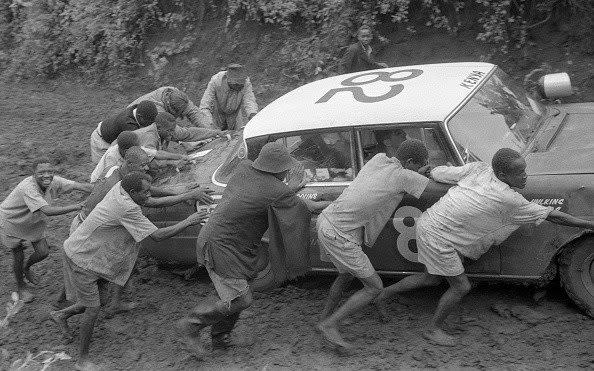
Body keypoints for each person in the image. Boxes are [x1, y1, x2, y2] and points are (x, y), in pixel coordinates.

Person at [376, 148, 594, 346]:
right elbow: (555, 217)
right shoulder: (508, 198)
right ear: (502, 175)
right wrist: (588, 223)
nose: (525, 175)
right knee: (461, 286)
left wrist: (429, 171)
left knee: (431, 278)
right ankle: (433, 330)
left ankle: (383, 295)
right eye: (519, 173)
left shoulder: (477, 169)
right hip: (438, 236)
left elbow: (440, 173)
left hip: (433, 225)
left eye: (524, 170)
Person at [176, 142, 328, 356]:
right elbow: (306, 207)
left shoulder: (245, 169)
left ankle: (221, 338)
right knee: (241, 299)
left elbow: (264, 193)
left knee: (235, 292)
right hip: (223, 247)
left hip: (222, 240)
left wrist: (289, 188)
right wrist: (339, 202)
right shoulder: (277, 190)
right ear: (280, 169)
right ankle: (190, 326)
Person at [48, 172, 208, 370]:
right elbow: (157, 235)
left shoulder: (122, 190)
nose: (148, 195)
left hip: (92, 253)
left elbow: (150, 202)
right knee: (93, 308)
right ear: (133, 192)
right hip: (83, 258)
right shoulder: (125, 207)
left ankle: (61, 315)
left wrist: (186, 195)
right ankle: (82, 360)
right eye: (145, 192)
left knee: (96, 299)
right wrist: (188, 221)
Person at [315, 137, 450, 352]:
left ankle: (325, 318)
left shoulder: (378, 159)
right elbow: (437, 191)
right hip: (339, 233)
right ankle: (329, 325)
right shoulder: (403, 176)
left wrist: (416, 172)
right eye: (419, 164)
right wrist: (427, 173)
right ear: (411, 161)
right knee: (374, 287)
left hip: (328, 221)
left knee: (345, 276)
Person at [56, 147, 214, 314]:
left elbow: (150, 192)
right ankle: (61, 303)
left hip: (105, 226)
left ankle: (111, 303)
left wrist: (183, 192)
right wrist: (186, 199)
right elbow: (151, 204)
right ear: (129, 163)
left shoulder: (123, 174)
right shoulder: (116, 188)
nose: (147, 167)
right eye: (143, 165)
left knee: (125, 260)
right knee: (81, 267)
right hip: (88, 229)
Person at [0, 157, 92, 302]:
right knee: (18, 254)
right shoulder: (28, 187)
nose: (47, 175)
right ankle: (21, 287)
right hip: (13, 222)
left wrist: (100, 188)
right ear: (33, 173)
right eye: (41, 172)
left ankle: (26, 268)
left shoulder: (53, 181)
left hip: (33, 220)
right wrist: (78, 206)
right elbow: (47, 210)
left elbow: (78, 186)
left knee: (43, 252)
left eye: (50, 171)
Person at [90, 131, 187, 183]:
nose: (140, 148)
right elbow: (112, 180)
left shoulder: (132, 149)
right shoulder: (111, 158)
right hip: (100, 182)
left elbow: (157, 154)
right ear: (126, 151)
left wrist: (181, 157)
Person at [89, 100, 158, 164]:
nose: (151, 124)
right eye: (149, 121)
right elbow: (137, 149)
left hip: (112, 135)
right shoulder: (128, 124)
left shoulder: (138, 110)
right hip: (101, 141)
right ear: (140, 117)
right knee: (105, 167)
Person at [199, 64, 258, 130]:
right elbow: (205, 105)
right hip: (217, 114)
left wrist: (253, 117)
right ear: (228, 80)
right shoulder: (216, 81)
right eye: (237, 85)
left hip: (235, 115)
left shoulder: (246, 82)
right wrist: (209, 124)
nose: (240, 87)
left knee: (238, 136)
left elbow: (249, 101)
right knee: (215, 136)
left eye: (241, 85)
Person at [134, 112, 224, 153]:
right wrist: (174, 160)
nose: (172, 133)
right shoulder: (150, 137)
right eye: (169, 131)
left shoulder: (169, 129)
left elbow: (190, 133)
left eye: (173, 129)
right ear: (159, 128)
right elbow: (151, 159)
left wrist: (214, 133)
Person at [128, 87, 204, 128]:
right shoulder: (157, 110)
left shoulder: (175, 93)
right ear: (173, 110)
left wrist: (209, 130)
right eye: (181, 112)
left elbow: (194, 112)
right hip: (130, 124)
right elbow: (171, 131)